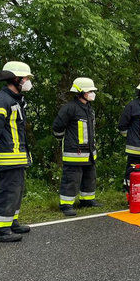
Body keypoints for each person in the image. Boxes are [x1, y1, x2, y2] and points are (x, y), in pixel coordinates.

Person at [0, 61, 34, 242]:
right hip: (8, 156)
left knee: (16, 191)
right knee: (6, 192)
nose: (28, 81)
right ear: (15, 79)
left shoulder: (16, 100)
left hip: (18, 156)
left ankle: (11, 222)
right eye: (25, 78)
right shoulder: (2, 100)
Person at [52, 77, 100, 217]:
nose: (92, 93)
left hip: (89, 153)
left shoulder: (89, 109)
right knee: (71, 179)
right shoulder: (70, 108)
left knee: (89, 177)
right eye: (89, 91)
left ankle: (87, 200)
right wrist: (63, 139)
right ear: (80, 92)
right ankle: (66, 205)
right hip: (74, 152)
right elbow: (57, 127)